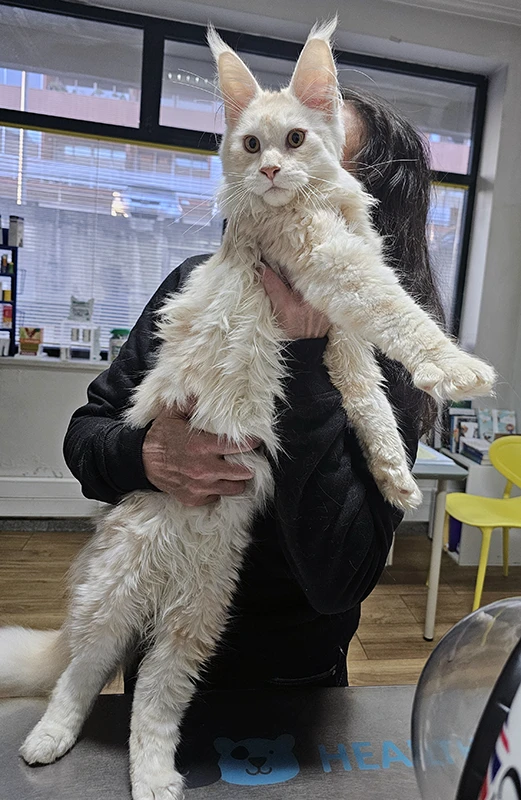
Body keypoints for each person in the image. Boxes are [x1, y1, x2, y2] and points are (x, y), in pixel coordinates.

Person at [63, 88, 444, 690]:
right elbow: (86, 436)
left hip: (297, 677)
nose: (273, 172)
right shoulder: (193, 286)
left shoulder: (392, 356)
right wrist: (147, 455)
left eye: (305, 146)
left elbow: (340, 581)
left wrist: (310, 355)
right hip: (157, 644)